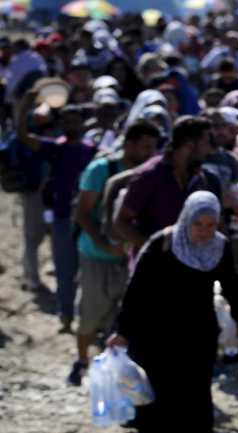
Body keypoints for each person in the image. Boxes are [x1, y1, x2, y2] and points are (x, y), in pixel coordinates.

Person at [107, 192, 238, 433]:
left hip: (198, 332)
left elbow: (230, 285)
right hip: (156, 332)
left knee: (195, 395)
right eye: (198, 224)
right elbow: (136, 290)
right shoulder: (163, 243)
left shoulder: (219, 247)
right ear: (187, 219)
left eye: (210, 225)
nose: (204, 231)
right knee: (157, 392)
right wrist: (122, 331)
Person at [68, 120, 162, 386]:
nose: (150, 152)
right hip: (97, 256)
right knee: (91, 314)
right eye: (145, 146)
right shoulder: (101, 169)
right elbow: (83, 213)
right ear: (129, 144)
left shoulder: (150, 174)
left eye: (153, 147)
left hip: (130, 260)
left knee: (123, 322)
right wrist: (103, 244)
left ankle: (116, 374)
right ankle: (82, 360)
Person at [16, 90, 97, 332]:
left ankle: (88, 317)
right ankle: (66, 315)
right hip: (62, 217)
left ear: (82, 124)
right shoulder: (55, 148)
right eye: (67, 121)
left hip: (88, 219)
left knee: (87, 271)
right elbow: (24, 137)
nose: (71, 125)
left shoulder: (92, 151)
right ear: (61, 124)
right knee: (64, 269)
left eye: (75, 120)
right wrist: (24, 110)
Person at [114, 116, 217, 251]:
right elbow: (121, 222)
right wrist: (153, 249)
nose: (209, 150)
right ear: (189, 144)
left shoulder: (199, 179)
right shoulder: (149, 176)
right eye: (206, 143)